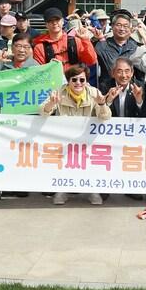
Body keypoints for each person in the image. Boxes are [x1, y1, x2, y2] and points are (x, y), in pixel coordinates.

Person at [39, 63, 112, 205]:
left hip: (87, 138)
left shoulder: (94, 92)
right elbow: (42, 111)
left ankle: (93, 190)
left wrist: (102, 105)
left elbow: (105, 116)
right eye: (74, 80)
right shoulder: (59, 92)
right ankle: (62, 190)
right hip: (64, 139)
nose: (78, 83)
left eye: (82, 80)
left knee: (92, 161)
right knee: (64, 161)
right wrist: (51, 104)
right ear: (68, 80)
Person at [32, 7, 98, 69]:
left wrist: (85, 40)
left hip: (74, 80)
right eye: (50, 21)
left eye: (57, 19)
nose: (54, 23)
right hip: (53, 80)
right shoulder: (40, 47)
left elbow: (91, 61)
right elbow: (40, 72)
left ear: (63, 21)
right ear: (46, 24)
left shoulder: (76, 41)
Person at [95, 10, 142, 90]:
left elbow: (140, 74)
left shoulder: (136, 47)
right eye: (119, 25)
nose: (122, 29)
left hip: (130, 91)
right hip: (107, 89)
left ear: (130, 28)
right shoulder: (102, 46)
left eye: (125, 26)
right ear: (112, 26)